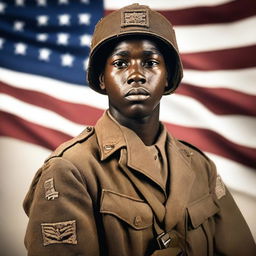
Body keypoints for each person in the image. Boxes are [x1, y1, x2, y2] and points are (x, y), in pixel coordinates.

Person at [23, 4, 255, 256]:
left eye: (150, 62)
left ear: (167, 76)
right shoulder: (71, 170)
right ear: (102, 78)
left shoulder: (201, 166)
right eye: (121, 63)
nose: (136, 74)